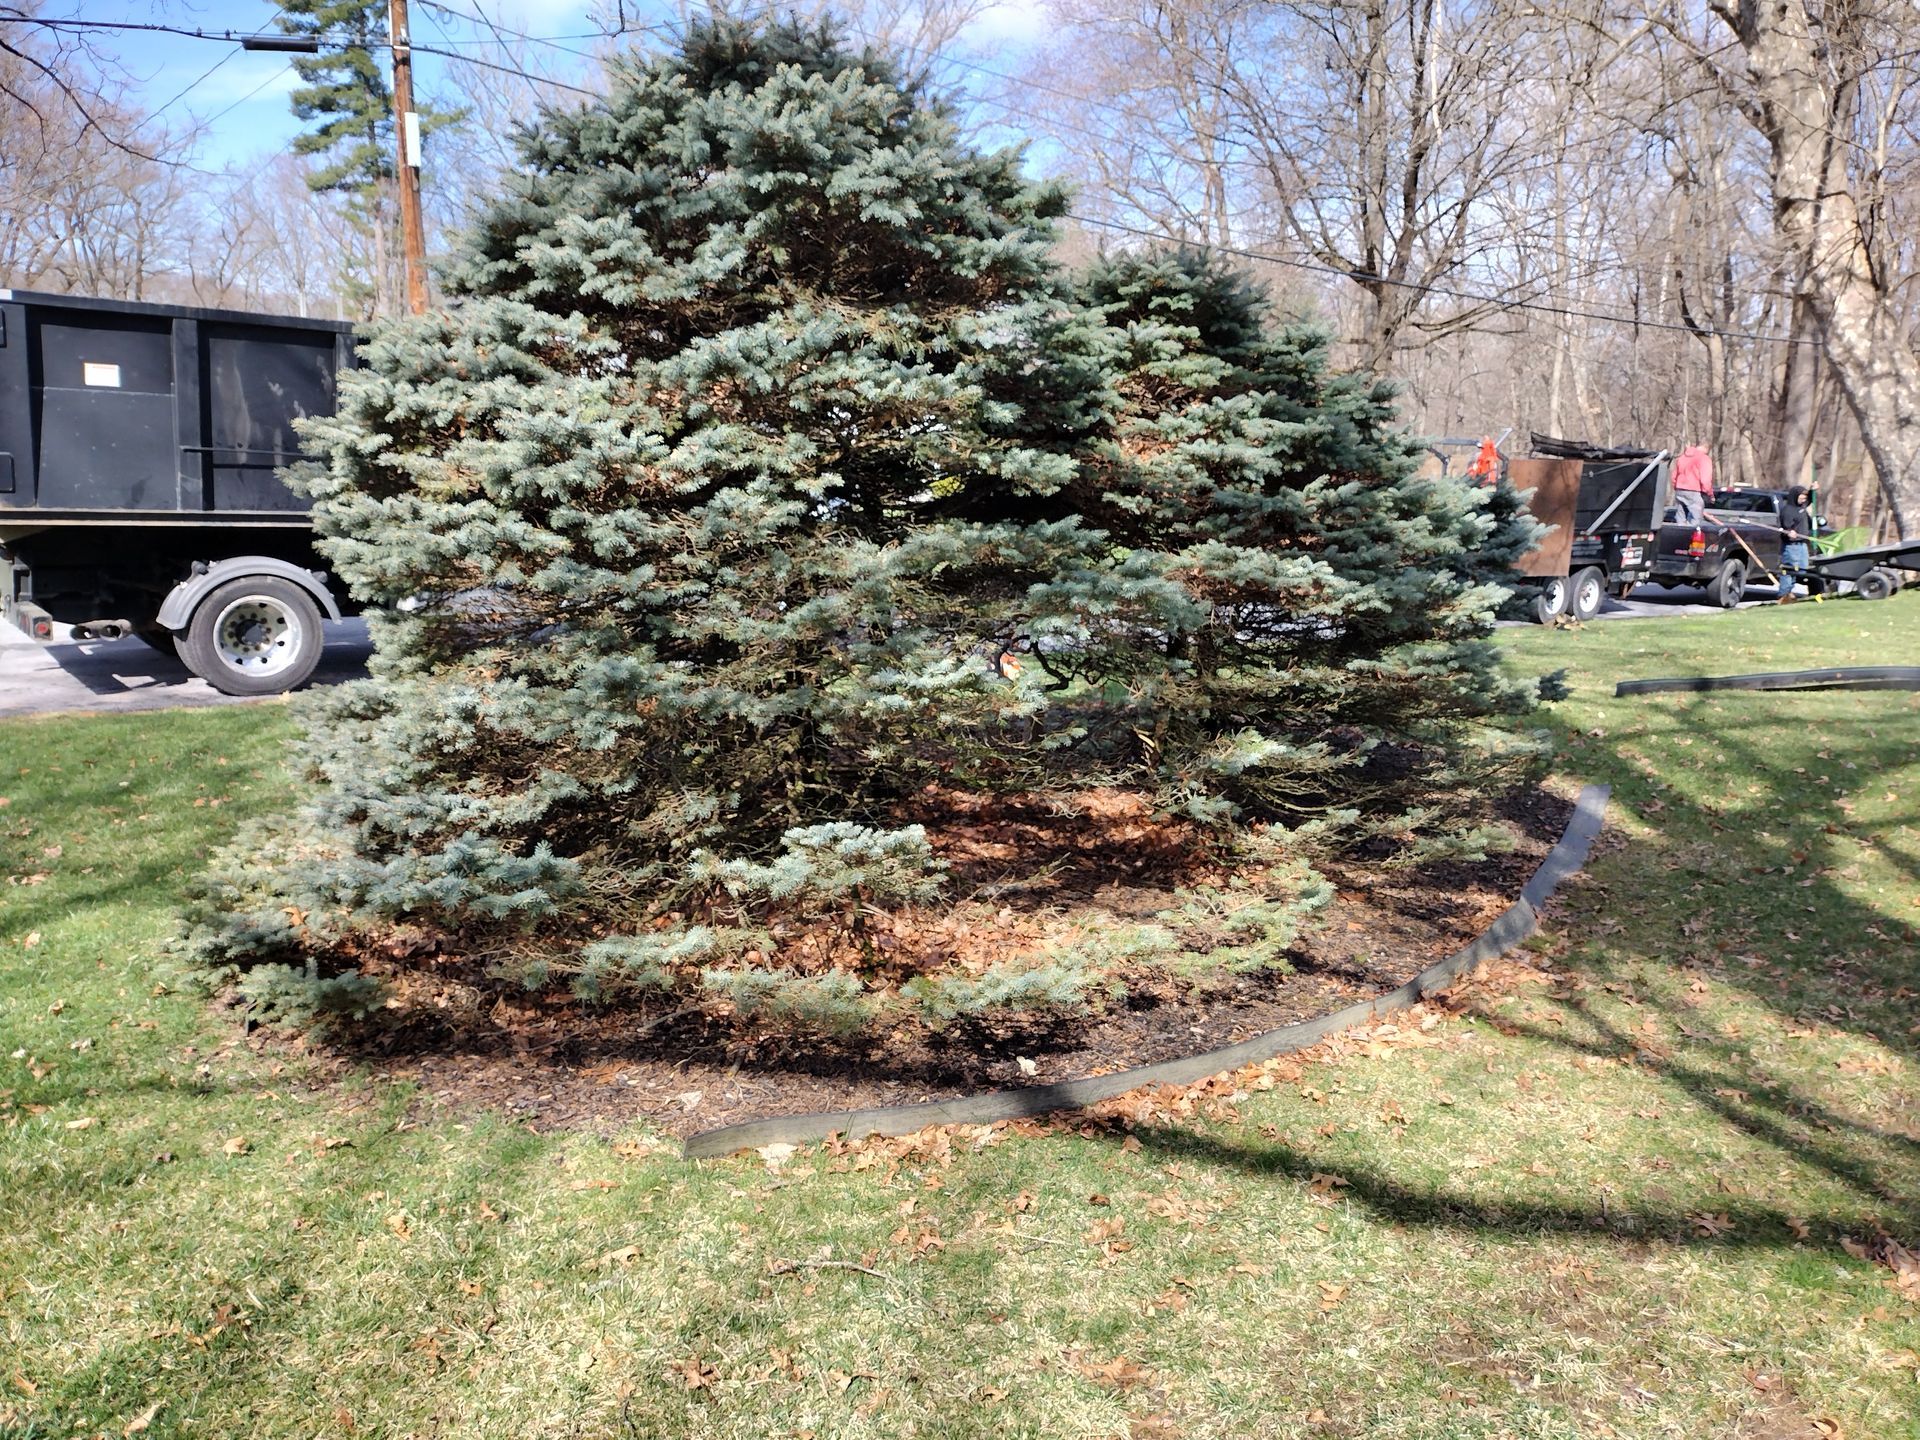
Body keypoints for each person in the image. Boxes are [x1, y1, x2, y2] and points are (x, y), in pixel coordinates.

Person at [1777, 485, 1814, 600]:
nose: (1804, 499)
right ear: (1795, 496)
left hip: (1802, 545)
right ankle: (1783, 596)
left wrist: (1813, 490)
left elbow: (1810, 500)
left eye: (1805, 497)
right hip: (1791, 546)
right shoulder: (1787, 511)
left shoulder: (1802, 507)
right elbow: (1784, 529)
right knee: (1789, 571)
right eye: (1802, 496)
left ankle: (1792, 593)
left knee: (1803, 571)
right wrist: (1789, 533)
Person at [1671, 444, 1714, 522]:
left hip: (1679, 490)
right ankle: (1691, 533)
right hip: (1694, 491)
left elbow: (1674, 476)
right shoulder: (1704, 458)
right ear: (1706, 448)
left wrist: (1676, 487)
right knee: (1695, 519)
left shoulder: (1682, 457)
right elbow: (1705, 479)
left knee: (1680, 518)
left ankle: (1680, 533)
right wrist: (1709, 493)